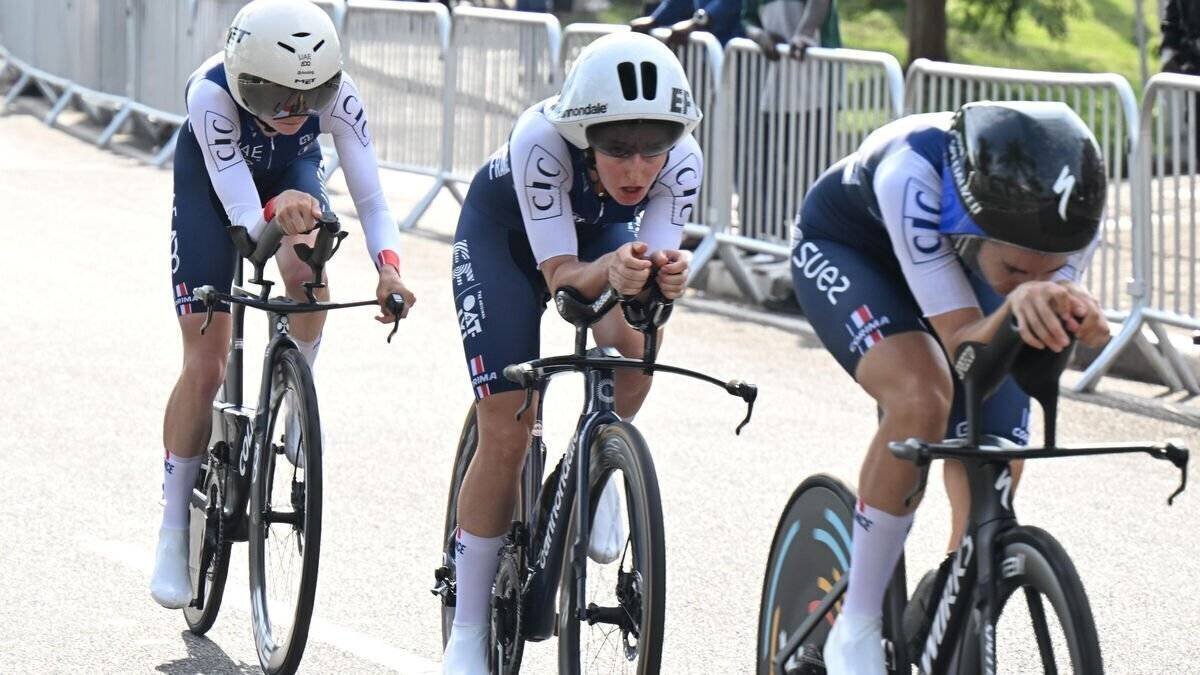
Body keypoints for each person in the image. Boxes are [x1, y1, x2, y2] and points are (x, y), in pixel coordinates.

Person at [788, 101, 1110, 673]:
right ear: (973, 223)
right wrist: (1021, 300)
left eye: (1049, 266)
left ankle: (949, 606)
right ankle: (856, 623)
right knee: (924, 398)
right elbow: (964, 344)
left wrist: (1074, 315)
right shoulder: (910, 174)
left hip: (965, 266)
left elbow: (1030, 302)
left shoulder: (1072, 209)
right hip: (853, 250)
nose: (1034, 278)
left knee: (999, 447)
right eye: (1018, 270)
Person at [442, 31, 703, 672]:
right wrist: (613, 267)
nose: (639, 169)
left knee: (638, 348)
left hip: (600, 242)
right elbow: (561, 278)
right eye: (618, 150)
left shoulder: (684, 158)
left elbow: (648, 283)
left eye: (653, 150)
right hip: (506, 246)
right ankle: (469, 627)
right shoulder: (541, 139)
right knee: (508, 426)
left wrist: (663, 278)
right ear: (586, 137)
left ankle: (601, 456)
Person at [151, 0, 416, 609]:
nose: (295, 114)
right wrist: (276, 208)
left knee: (310, 264)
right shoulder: (211, 93)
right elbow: (245, 219)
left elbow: (372, 199)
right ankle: (171, 529)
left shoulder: (340, 96)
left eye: (309, 98)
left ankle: (297, 394)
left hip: (291, 177)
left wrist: (389, 270)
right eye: (275, 100)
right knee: (206, 361)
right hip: (215, 194)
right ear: (245, 79)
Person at [630, 0, 745, 47]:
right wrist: (656, 20)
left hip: (738, 54)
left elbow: (729, 4)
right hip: (707, 53)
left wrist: (696, 22)